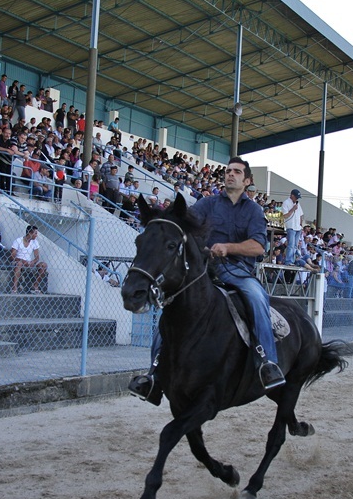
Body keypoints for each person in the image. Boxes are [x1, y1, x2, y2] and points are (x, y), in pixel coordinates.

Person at [129, 157, 286, 405]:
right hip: (204, 270)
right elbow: (183, 223)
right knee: (171, 309)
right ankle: (155, 375)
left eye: (236, 172)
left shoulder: (254, 211)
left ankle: (267, 362)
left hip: (238, 271)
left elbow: (258, 247)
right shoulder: (207, 204)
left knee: (257, 297)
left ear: (246, 181)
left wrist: (228, 247)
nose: (229, 175)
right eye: (227, 171)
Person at [11, 225, 47, 294]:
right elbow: (12, 256)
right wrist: (22, 261)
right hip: (18, 262)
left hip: (29, 263)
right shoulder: (18, 241)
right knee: (19, 264)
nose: (36, 235)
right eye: (35, 233)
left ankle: (35, 286)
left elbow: (37, 257)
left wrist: (33, 262)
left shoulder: (35, 242)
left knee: (43, 265)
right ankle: (14, 288)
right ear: (30, 233)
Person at [281, 189, 304, 266]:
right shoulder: (286, 203)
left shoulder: (298, 204)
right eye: (296, 197)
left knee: (295, 245)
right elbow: (285, 215)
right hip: (291, 226)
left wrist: (301, 224)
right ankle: (288, 261)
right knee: (291, 244)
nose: (297, 199)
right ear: (292, 195)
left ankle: (292, 260)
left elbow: (301, 214)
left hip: (298, 227)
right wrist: (292, 209)